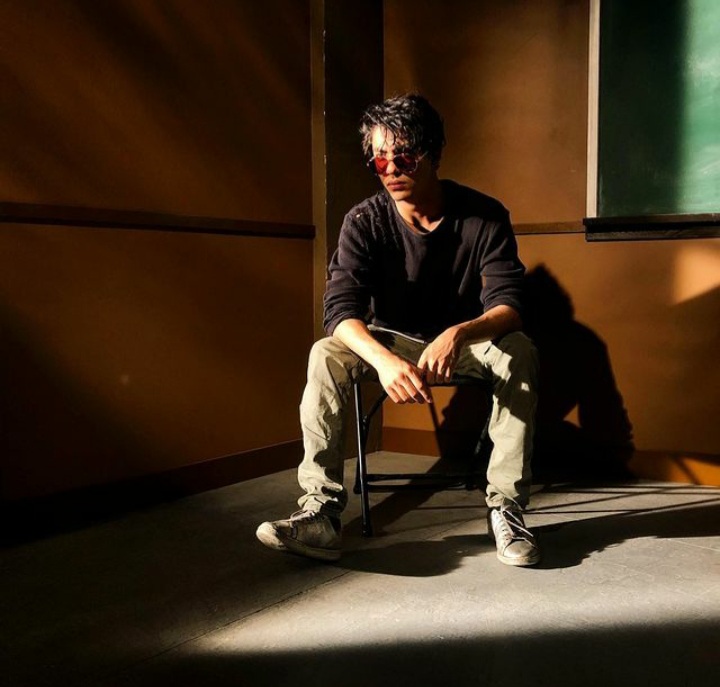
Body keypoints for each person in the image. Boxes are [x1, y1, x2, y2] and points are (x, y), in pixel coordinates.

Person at [256, 94, 540, 567]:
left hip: (464, 342)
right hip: (390, 343)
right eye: (379, 159)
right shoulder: (363, 221)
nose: (389, 169)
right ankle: (321, 513)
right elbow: (340, 311)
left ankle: (506, 509)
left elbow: (510, 306)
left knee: (520, 350)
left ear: (433, 154)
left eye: (403, 157)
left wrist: (458, 333)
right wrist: (384, 362)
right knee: (325, 353)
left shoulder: (484, 215)